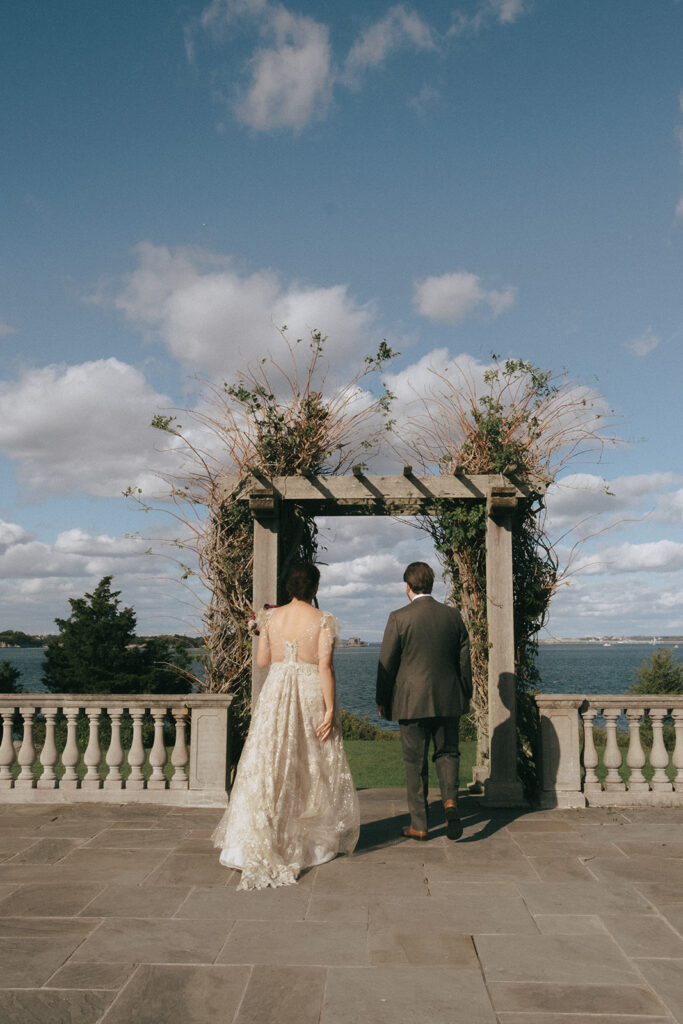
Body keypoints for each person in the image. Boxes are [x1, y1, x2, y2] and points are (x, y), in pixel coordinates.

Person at [212, 562, 360, 889]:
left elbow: (263, 662)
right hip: (308, 691)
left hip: (276, 690)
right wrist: (331, 708)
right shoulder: (323, 620)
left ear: (289, 587)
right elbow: (326, 667)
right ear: (315, 588)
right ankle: (305, 840)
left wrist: (261, 631)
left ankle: (264, 834)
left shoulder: (269, 618)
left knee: (268, 761)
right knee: (308, 761)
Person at [376, 561, 472, 842]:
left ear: (407, 586)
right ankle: (451, 802)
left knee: (415, 762)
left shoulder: (398, 618)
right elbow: (463, 661)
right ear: (432, 585)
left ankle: (420, 825)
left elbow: (386, 663)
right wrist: (465, 692)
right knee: (448, 753)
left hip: (411, 702)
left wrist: (382, 699)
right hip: (448, 698)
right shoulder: (453, 616)